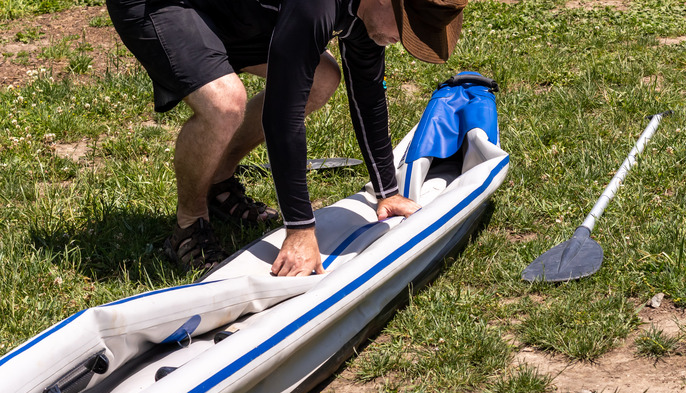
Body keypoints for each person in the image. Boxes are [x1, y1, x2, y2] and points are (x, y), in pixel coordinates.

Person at [106, 0, 468, 275]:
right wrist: (299, 228)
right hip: (164, 3)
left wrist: (387, 191)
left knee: (322, 79)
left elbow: (368, 93)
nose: (400, 42)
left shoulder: (364, 12)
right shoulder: (316, 4)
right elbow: (283, 113)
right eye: (405, 29)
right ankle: (189, 224)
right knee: (225, 104)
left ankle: (218, 184)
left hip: (230, 10)